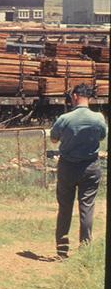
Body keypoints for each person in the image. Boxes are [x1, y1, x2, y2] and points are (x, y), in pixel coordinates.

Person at [50, 83, 108, 259]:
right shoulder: (98, 118)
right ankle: (85, 247)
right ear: (88, 97)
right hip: (90, 167)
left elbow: (53, 139)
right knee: (87, 207)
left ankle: (62, 248)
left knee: (65, 206)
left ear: (75, 96)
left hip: (68, 166)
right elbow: (102, 136)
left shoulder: (65, 118)